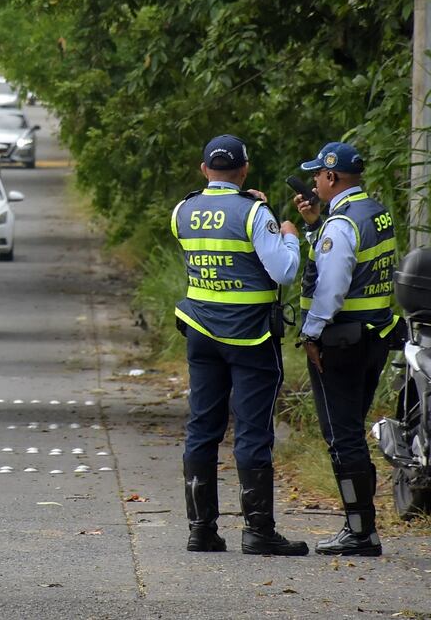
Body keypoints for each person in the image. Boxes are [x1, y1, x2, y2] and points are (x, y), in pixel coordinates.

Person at [172, 135, 307, 556]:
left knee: (202, 428)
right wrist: (286, 233)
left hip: (201, 331)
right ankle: (259, 532)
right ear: (244, 170)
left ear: (203, 170)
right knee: (252, 431)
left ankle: (201, 530)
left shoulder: (183, 211)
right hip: (251, 336)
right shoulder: (255, 213)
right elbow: (284, 271)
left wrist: (254, 212)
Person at [292, 142, 402, 557]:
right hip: (374, 336)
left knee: (343, 436)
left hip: (341, 341)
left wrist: (312, 334)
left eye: (318, 174)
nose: (315, 180)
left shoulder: (341, 224)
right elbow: (351, 263)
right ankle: (361, 527)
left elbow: (332, 284)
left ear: (332, 177)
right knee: (351, 429)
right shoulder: (374, 211)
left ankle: (360, 532)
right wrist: (312, 226)